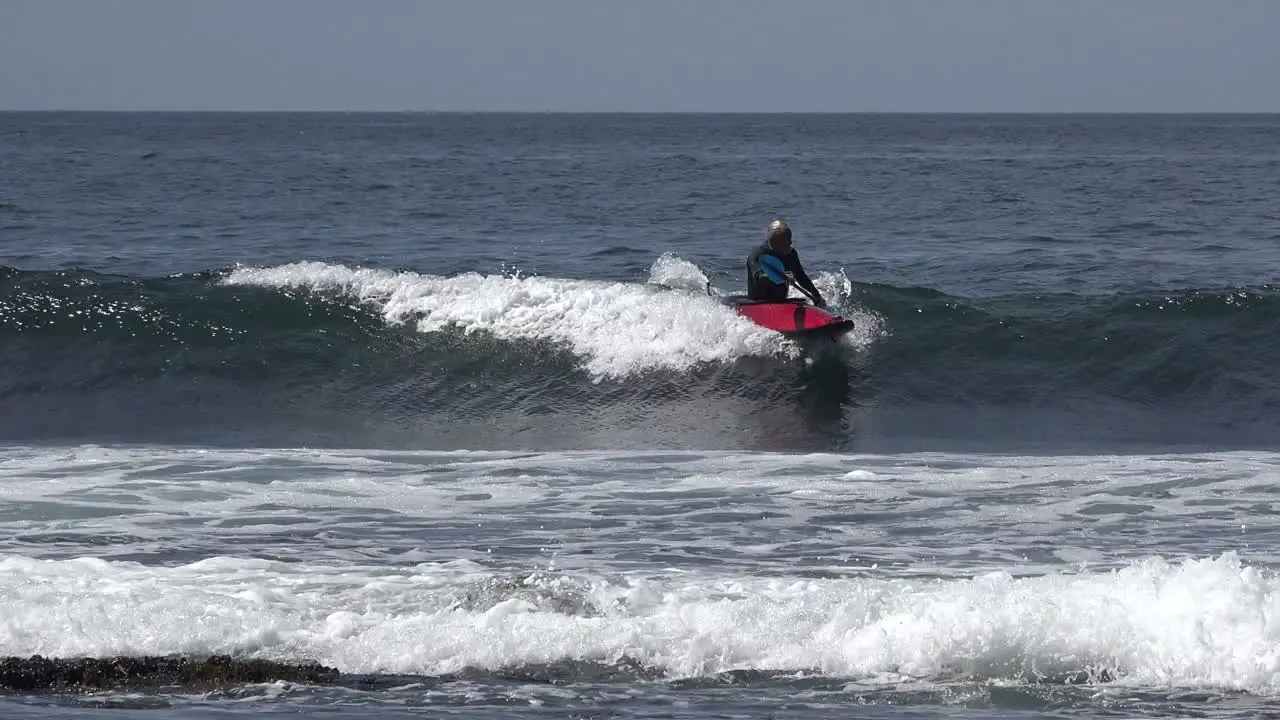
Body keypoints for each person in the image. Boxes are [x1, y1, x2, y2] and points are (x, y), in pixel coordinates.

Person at [745, 219, 827, 307]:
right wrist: (782, 277)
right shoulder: (757, 255)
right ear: (774, 243)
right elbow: (759, 276)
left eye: (789, 240)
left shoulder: (791, 254)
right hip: (759, 302)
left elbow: (801, 277)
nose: (790, 243)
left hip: (782, 301)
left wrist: (817, 296)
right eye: (786, 242)